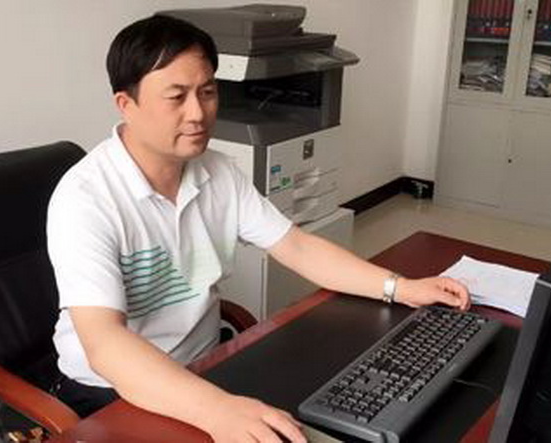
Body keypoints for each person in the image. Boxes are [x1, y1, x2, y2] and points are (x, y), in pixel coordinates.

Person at [47, 14, 470, 443]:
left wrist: (400, 287)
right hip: (112, 392)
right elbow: (105, 344)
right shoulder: (86, 198)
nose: (198, 113)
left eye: (208, 92)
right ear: (126, 104)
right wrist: (215, 410)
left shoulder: (217, 171)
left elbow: (297, 247)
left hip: (205, 369)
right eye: (176, 97)